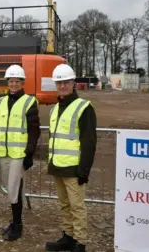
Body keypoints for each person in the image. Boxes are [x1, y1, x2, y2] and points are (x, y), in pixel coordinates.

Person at [44, 64, 97, 252]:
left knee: (77, 206)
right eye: (59, 83)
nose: (62, 86)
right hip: (58, 166)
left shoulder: (84, 108)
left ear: (73, 83)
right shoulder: (55, 109)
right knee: (65, 204)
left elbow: (89, 142)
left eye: (66, 82)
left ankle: (80, 242)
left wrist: (84, 170)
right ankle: (68, 236)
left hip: (74, 168)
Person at [0, 64, 40, 241]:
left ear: (22, 82)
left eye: (16, 81)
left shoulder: (29, 101)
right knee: (10, 190)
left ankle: (18, 225)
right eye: (10, 81)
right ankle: (14, 221)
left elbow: (34, 130)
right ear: (7, 82)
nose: (13, 84)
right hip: (3, 152)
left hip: (18, 154)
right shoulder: (1, 102)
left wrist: (29, 153)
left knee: (14, 189)